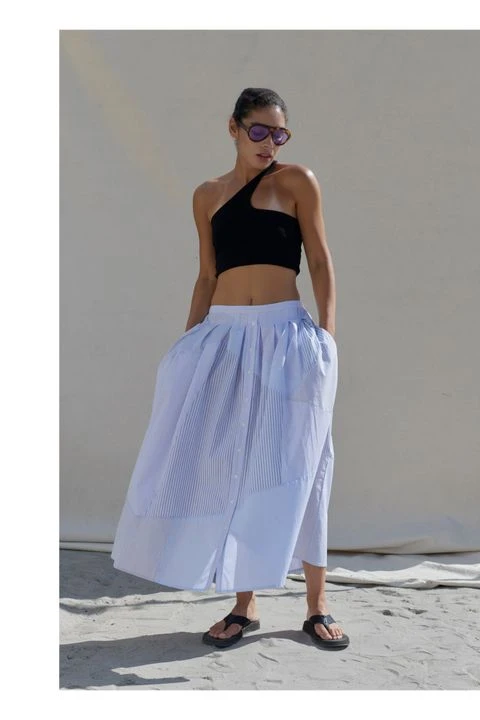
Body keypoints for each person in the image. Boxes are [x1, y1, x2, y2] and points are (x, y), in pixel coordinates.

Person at [111, 87, 349, 650]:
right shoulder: (207, 195)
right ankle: (245, 605)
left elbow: (319, 260)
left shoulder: (297, 182)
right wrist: (187, 346)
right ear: (234, 128)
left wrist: (327, 339)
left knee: (305, 465)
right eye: (259, 131)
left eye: (279, 133)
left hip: (287, 337)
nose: (270, 143)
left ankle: (317, 605)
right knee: (232, 468)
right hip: (223, 337)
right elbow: (206, 275)